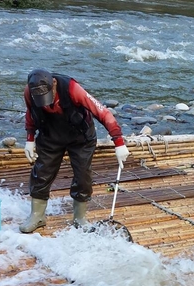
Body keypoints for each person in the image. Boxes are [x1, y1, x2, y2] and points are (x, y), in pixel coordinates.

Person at [19, 68, 130, 233]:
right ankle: (37, 215)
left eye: (48, 97)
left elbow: (103, 113)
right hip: (50, 135)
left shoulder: (72, 88)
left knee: (82, 175)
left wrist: (119, 142)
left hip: (80, 137)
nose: (46, 102)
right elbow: (31, 113)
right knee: (41, 172)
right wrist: (29, 139)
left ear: (54, 84)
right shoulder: (30, 92)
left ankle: (79, 218)